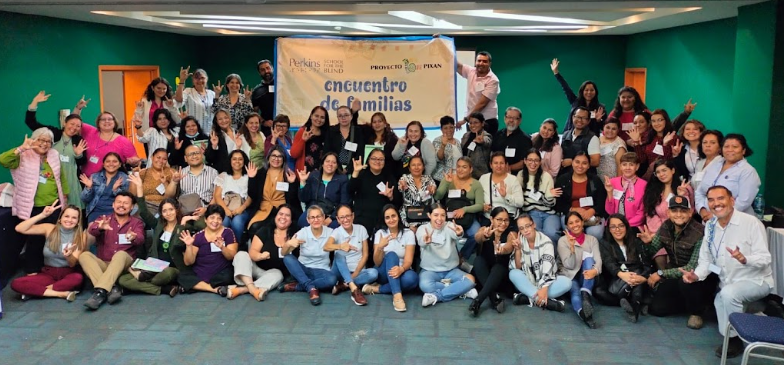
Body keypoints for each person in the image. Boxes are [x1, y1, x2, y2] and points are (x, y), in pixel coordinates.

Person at [680, 186, 773, 358]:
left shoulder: (751, 223)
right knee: (720, 299)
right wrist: (696, 275)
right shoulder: (710, 226)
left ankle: (734, 340)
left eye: (721, 198)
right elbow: (706, 260)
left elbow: (765, 259)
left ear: (732, 201)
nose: (716, 203)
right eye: (711, 200)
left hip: (756, 280)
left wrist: (745, 259)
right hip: (728, 282)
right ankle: (739, 331)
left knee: (728, 295)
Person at [636, 195, 714, 330]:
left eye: (683, 211)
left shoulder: (700, 232)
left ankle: (697, 312)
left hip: (696, 276)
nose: (679, 215)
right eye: (674, 210)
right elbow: (653, 249)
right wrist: (647, 243)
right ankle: (690, 302)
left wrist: (661, 273)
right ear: (668, 213)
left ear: (690, 213)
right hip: (674, 273)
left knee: (686, 281)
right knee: (657, 309)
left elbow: (692, 267)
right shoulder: (665, 226)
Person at [0, 130, 68, 273]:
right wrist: (21, 148)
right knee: (34, 241)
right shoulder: (23, 155)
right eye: (41, 140)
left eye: (48, 141)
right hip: (32, 207)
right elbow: (3, 160)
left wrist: (65, 198)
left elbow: (60, 176)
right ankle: (32, 270)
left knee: (51, 238)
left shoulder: (54, 154)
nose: (44, 144)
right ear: (33, 140)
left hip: (53, 205)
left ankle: (50, 268)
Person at [119, 174, 187, 297]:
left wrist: (183, 223)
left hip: (171, 268)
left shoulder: (183, 227)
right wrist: (139, 187)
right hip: (153, 266)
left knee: (159, 278)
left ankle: (138, 284)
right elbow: (144, 212)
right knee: (123, 280)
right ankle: (164, 289)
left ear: (176, 210)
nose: (168, 213)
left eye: (171, 210)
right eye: (164, 211)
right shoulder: (158, 225)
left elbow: (179, 244)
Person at [80, 191, 145, 310]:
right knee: (84, 255)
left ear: (132, 207)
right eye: (119, 202)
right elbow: (92, 230)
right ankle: (110, 288)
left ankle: (100, 293)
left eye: (126, 203)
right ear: (113, 205)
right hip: (105, 264)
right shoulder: (104, 219)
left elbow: (141, 238)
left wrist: (134, 237)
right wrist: (100, 228)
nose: (121, 205)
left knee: (120, 254)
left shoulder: (137, 223)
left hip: (125, 265)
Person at [12, 202, 86, 301]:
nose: (69, 220)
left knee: (78, 279)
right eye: (66, 216)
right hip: (48, 273)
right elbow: (19, 228)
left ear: (78, 221)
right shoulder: (50, 228)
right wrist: (42, 215)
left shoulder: (81, 236)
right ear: (60, 218)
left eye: (74, 218)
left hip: (68, 273)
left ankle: (35, 292)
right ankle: (60, 294)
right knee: (16, 283)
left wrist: (68, 256)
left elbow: (72, 264)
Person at [25, 91, 87, 208]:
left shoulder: (78, 140)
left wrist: (78, 155)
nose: (74, 128)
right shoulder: (53, 133)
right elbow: (31, 122)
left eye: (78, 126)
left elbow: (83, 162)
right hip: (50, 179)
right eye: (72, 124)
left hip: (71, 182)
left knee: (73, 214)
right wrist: (35, 102)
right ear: (65, 123)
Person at [228, 204, 294, 301]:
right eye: (280, 214)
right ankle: (253, 290)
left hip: (272, 272)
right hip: (255, 267)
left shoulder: (295, 235)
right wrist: (260, 256)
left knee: (278, 275)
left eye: (287, 215)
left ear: (291, 220)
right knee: (241, 255)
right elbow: (252, 252)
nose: (283, 217)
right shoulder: (265, 230)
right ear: (275, 216)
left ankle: (242, 289)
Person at [417, 203, 477, 307]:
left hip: (451, 270)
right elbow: (421, 240)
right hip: (430, 270)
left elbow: (456, 233)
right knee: (425, 285)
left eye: (443, 215)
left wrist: (459, 234)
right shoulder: (422, 229)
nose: (439, 219)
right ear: (429, 215)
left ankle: (436, 297)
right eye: (435, 215)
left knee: (471, 279)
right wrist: (425, 240)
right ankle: (460, 290)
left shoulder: (449, 226)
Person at [508, 213, 570, 311]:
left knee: (567, 283)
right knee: (513, 273)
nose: (525, 230)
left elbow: (547, 269)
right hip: (528, 281)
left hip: (546, 281)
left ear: (534, 225)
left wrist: (544, 288)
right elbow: (518, 267)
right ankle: (546, 302)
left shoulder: (546, 242)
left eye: (527, 226)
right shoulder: (520, 241)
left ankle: (529, 298)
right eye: (521, 228)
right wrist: (518, 250)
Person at [362, 204, 418, 312]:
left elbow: (408, 261)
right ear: (384, 220)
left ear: (398, 217)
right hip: (383, 272)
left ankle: (376, 289)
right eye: (387, 217)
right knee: (392, 255)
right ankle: (397, 297)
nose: (391, 220)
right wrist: (380, 247)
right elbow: (377, 263)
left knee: (413, 279)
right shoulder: (380, 233)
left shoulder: (408, 233)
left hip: (402, 270)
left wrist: (401, 269)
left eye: (393, 216)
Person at [280, 205, 339, 306]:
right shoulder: (303, 232)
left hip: (321, 271)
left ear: (324, 217)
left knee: (332, 279)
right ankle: (311, 288)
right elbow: (283, 253)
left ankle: (299, 286)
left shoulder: (331, 233)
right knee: (288, 258)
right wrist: (288, 244)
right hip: (303, 269)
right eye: (312, 217)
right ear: (308, 220)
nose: (316, 220)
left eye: (318, 216)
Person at [597, 214, 651, 322]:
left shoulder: (635, 240)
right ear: (609, 229)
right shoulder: (604, 243)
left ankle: (634, 307)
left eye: (621, 226)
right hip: (617, 278)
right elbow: (609, 263)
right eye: (613, 227)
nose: (617, 230)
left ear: (626, 227)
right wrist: (623, 275)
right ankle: (636, 301)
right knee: (599, 292)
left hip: (637, 276)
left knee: (637, 272)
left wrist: (643, 278)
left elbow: (646, 263)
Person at [695, 134, 760, 221]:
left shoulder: (748, 171)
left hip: (734, 222)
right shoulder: (715, 164)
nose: (730, 150)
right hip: (707, 220)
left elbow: (743, 202)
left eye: (735, 147)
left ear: (743, 150)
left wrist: (716, 216)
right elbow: (700, 191)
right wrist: (702, 210)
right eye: (726, 146)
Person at [178, 204, 238, 296]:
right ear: (205, 219)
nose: (215, 221)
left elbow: (232, 256)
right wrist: (189, 246)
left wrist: (222, 247)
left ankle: (195, 286)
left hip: (221, 273)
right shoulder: (198, 236)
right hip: (201, 272)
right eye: (212, 217)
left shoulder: (228, 232)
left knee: (230, 275)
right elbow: (188, 262)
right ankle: (214, 289)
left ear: (222, 220)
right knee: (182, 276)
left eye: (219, 218)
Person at [349, 148, 400, 253]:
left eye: (381, 159)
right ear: (368, 160)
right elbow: (350, 190)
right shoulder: (361, 173)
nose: (377, 161)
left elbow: (398, 202)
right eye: (374, 159)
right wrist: (355, 172)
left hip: (382, 220)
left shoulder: (389, 177)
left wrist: (390, 196)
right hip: (362, 218)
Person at [558, 211, 603, 329]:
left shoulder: (592, 239)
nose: (575, 225)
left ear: (582, 223)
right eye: (571, 223)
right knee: (575, 293)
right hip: (570, 275)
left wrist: (595, 270)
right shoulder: (563, 241)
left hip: (587, 275)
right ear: (567, 227)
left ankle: (585, 294)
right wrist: (572, 248)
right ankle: (585, 315)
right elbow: (569, 266)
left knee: (589, 258)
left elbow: (598, 261)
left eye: (577, 221)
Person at [323, 205, 376, 306]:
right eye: (342, 217)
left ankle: (344, 285)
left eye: (348, 216)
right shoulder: (337, 232)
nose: (345, 219)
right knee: (339, 254)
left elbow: (365, 255)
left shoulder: (361, 229)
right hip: (339, 271)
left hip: (358, 271)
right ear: (338, 219)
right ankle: (354, 289)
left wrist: (355, 273)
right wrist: (340, 246)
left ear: (353, 216)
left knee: (374, 273)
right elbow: (326, 247)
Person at [434, 157, 484, 259]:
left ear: (471, 169)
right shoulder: (448, 178)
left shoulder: (476, 184)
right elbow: (437, 197)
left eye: (464, 167)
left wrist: (464, 209)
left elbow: (480, 205)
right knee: (446, 235)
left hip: (468, 216)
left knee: (477, 234)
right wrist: (447, 182)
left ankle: (462, 256)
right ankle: (450, 258)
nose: (460, 169)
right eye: (458, 167)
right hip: (450, 216)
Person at [469, 207, 514, 317]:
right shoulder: (484, 229)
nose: (503, 223)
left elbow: (509, 246)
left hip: (501, 278)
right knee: (478, 260)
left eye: (506, 220)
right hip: (484, 277)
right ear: (491, 219)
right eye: (499, 220)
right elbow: (477, 238)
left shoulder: (511, 233)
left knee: (498, 267)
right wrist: (485, 236)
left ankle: (478, 301)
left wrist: (502, 250)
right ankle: (494, 298)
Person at [554, 151, 607, 239]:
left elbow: (602, 201)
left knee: (595, 233)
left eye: (584, 163)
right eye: (577, 162)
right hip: (571, 214)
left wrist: (592, 211)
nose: (580, 166)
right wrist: (572, 210)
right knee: (573, 231)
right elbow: (558, 203)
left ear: (589, 165)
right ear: (572, 162)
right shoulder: (563, 180)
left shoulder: (595, 180)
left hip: (592, 215)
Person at [246, 147, 299, 231]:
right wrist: (252, 178)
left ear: (283, 159)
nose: (276, 159)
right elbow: (252, 195)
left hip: (282, 211)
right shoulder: (260, 173)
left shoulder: (288, 174)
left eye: (279, 156)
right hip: (263, 210)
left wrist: (292, 183)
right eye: (273, 155)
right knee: (254, 227)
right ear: (268, 158)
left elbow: (293, 199)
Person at [550, 58, 605, 134]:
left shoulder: (600, 108)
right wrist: (556, 73)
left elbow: (604, 127)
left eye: (592, 90)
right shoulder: (575, 101)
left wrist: (599, 120)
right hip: (570, 136)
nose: (589, 92)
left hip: (590, 139)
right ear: (582, 91)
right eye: (586, 90)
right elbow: (566, 88)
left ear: (596, 92)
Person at [518, 149, 561, 244]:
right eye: (530, 160)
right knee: (537, 234)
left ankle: (552, 256)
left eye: (536, 160)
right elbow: (520, 201)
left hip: (549, 213)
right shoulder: (520, 175)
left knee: (551, 233)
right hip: (531, 213)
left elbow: (550, 204)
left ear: (540, 162)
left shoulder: (546, 176)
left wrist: (549, 196)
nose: (533, 163)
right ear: (525, 161)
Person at [297, 152, 349, 229]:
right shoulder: (313, 176)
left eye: (334, 162)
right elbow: (304, 198)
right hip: (314, 211)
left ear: (337, 165)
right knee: (302, 222)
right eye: (327, 161)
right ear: (322, 163)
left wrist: (331, 218)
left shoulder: (343, 179)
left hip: (332, 214)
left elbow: (344, 202)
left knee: (335, 227)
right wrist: (303, 182)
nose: (330, 164)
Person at [80, 111, 140, 177]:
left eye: (110, 119)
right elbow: (73, 122)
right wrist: (78, 108)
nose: (107, 121)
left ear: (114, 122)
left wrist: (133, 162)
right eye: (103, 119)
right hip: (85, 180)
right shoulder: (90, 131)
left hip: (111, 183)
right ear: (98, 122)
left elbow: (136, 162)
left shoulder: (124, 142)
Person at [643, 159, 694, 234]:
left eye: (664, 170)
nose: (661, 174)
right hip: (659, 234)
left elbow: (689, 211)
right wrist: (661, 232)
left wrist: (682, 196)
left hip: (682, 232)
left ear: (672, 170)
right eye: (658, 172)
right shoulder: (653, 191)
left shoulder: (685, 188)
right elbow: (650, 214)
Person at [213, 150, 254, 243]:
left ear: (244, 161)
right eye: (234, 159)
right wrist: (226, 210)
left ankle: (236, 246)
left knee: (237, 222)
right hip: (224, 207)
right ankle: (222, 247)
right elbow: (217, 195)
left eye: (240, 159)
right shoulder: (223, 176)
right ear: (230, 161)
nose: (237, 162)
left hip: (243, 208)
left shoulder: (249, 176)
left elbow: (251, 196)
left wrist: (241, 208)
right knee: (224, 222)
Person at [629, 109, 682, 179]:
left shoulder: (673, 137)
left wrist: (665, 145)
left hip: (667, 177)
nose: (656, 124)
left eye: (660, 120)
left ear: (666, 121)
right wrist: (636, 143)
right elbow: (642, 159)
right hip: (652, 176)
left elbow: (668, 161)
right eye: (653, 121)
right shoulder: (649, 137)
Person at [456, 51, 500, 134]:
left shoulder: (493, 80)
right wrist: (442, 44)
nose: (481, 63)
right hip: (472, 119)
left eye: (484, 61)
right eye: (479, 61)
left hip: (487, 121)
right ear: (475, 62)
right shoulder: (471, 71)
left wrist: (465, 119)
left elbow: (481, 104)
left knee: (485, 146)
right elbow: (456, 65)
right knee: (470, 146)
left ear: (489, 63)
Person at [80, 153, 129, 223]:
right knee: (93, 232)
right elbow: (84, 199)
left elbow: (127, 201)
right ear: (103, 164)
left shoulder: (124, 178)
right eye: (108, 161)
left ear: (120, 164)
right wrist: (88, 188)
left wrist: (116, 190)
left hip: (115, 214)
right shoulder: (94, 177)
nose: (111, 164)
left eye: (114, 161)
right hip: (95, 212)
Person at [603, 152, 647, 230]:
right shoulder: (612, 182)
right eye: (624, 164)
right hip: (614, 224)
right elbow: (610, 211)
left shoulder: (644, 185)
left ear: (637, 167)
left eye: (631, 164)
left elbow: (641, 214)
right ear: (620, 166)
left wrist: (624, 225)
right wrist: (609, 192)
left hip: (633, 226)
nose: (627, 168)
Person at [480, 152, 524, 222]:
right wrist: (482, 206)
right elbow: (478, 198)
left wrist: (506, 196)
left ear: (506, 165)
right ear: (491, 165)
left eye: (501, 163)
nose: (499, 166)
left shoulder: (513, 179)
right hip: (489, 218)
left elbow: (520, 203)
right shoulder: (483, 178)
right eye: (496, 163)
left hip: (508, 218)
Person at [174, 145, 218, 216]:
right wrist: (174, 182)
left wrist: (207, 209)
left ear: (202, 155)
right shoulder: (180, 173)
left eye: (197, 153)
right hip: (185, 212)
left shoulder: (213, 172)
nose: (194, 156)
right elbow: (170, 195)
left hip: (207, 211)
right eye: (190, 154)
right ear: (185, 158)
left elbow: (216, 195)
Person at [128, 148, 175, 213]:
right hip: (143, 205)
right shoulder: (143, 173)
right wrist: (135, 175)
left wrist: (165, 183)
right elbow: (132, 194)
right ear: (152, 157)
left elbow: (171, 196)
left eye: (164, 159)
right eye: (158, 157)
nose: (161, 161)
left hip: (162, 206)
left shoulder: (172, 173)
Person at [397, 156, 437, 230]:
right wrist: (402, 186)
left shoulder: (428, 178)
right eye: (413, 165)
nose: (416, 167)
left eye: (419, 164)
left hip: (426, 216)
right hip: (408, 216)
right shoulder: (404, 178)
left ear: (423, 167)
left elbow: (433, 187)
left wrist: (432, 189)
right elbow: (400, 187)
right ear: (409, 168)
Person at [206, 108, 247, 174]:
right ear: (216, 121)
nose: (224, 121)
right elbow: (209, 159)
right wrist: (214, 146)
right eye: (220, 119)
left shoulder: (237, 132)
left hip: (239, 169)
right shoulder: (214, 135)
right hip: (223, 172)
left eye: (226, 117)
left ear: (230, 118)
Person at [175, 66, 215, 134]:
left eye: (202, 78)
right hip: (193, 132)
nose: (199, 81)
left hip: (210, 132)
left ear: (207, 79)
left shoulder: (212, 93)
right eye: (196, 78)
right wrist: (182, 80)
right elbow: (178, 100)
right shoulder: (188, 91)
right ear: (193, 80)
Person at [491, 107, 531, 175]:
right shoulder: (497, 134)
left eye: (515, 118)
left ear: (520, 120)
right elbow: (492, 153)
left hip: (515, 175)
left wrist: (508, 168)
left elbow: (525, 161)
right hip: (496, 173)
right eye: (509, 117)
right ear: (504, 118)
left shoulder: (525, 139)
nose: (511, 120)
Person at [324, 103, 364, 171]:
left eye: (346, 115)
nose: (343, 118)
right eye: (340, 116)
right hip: (333, 168)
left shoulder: (358, 131)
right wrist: (336, 167)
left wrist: (348, 169)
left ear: (351, 116)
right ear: (337, 118)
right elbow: (327, 151)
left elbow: (360, 153)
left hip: (353, 169)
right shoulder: (331, 131)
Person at [560, 107, 600, 175]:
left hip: (585, 177)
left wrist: (572, 161)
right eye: (577, 117)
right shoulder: (565, 135)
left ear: (588, 121)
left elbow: (595, 162)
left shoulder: (593, 138)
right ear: (573, 117)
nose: (579, 120)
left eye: (584, 118)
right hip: (566, 176)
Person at [291, 106, 329, 173]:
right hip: (304, 174)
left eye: (322, 117)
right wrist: (303, 140)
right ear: (311, 116)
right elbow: (294, 154)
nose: (319, 119)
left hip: (322, 174)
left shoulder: (327, 133)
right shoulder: (302, 131)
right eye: (316, 116)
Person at [360, 112, 398, 177]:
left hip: (387, 173)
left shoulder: (392, 139)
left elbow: (394, 158)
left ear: (385, 123)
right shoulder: (367, 138)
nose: (377, 124)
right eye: (374, 122)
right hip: (369, 173)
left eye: (380, 121)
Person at [460, 112, 492, 179]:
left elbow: (487, 142)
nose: (472, 125)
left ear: (482, 123)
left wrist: (482, 141)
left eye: (476, 122)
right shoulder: (466, 136)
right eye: (470, 123)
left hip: (480, 175)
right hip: (466, 174)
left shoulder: (486, 135)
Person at [433, 116, 463, 183]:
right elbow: (438, 158)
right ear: (441, 129)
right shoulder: (437, 140)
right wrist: (443, 145)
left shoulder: (457, 142)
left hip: (457, 178)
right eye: (445, 128)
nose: (449, 130)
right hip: (442, 179)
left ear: (454, 128)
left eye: (451, 127)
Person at [251, 59, 275, 136]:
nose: (266, 71)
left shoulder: (282, 86)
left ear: (272, 68)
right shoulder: (257, 91)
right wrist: (264, 122)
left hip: (284, 128)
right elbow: (254, 112)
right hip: (267, 129)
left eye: (268, 68)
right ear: (259, 73)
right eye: (262, 70)